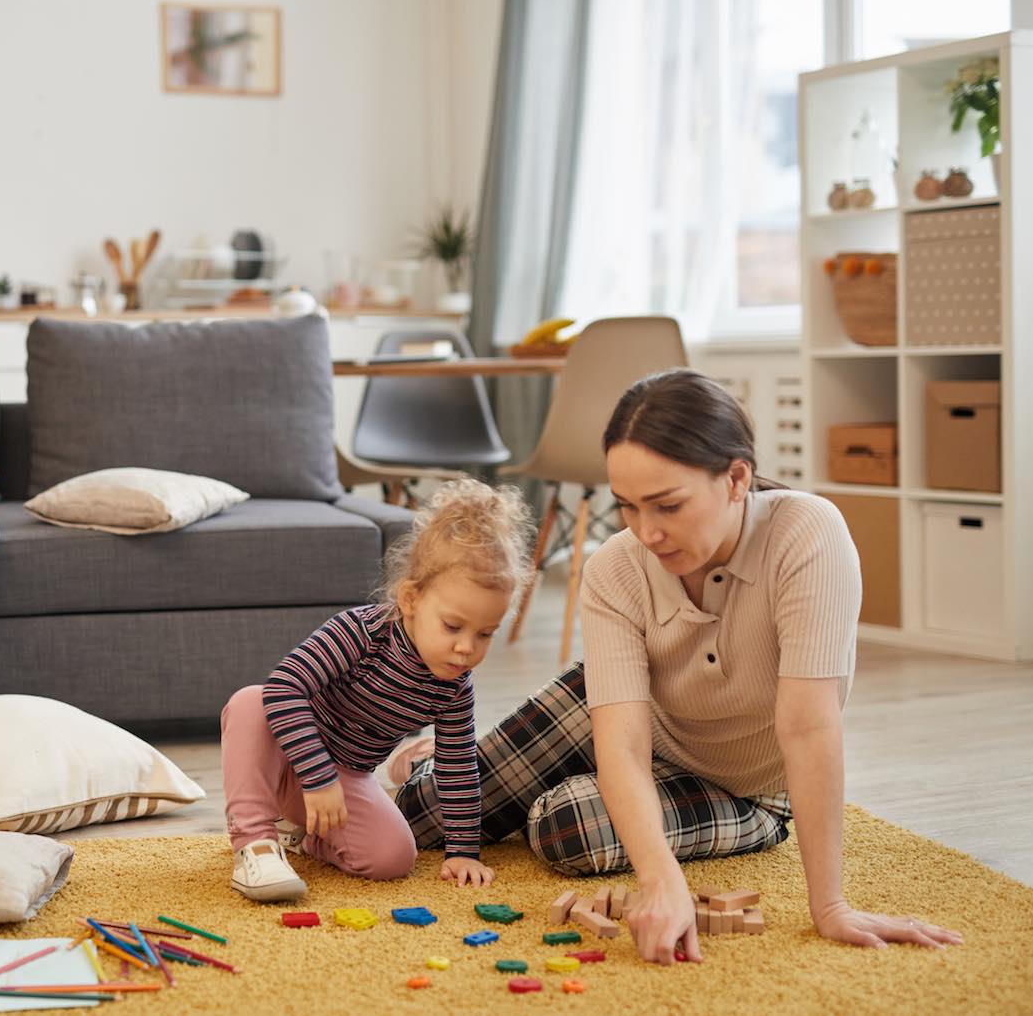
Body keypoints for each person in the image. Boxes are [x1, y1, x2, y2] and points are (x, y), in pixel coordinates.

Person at [391, 369, 963, 962]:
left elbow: (808, 727)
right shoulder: (615, 567)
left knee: (563, 825)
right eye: (628, 507)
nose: (647, 532)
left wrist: (831, 907)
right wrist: (663, 881)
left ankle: (523, 775)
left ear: (736, 478)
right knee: (421, 817)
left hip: (745, 789)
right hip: (637, 717)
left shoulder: (808, 536)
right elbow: (624, 741)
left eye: (667, 505)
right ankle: (431, 760)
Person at [221, 479, 532, 902]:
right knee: (251, 702)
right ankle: (255, 843)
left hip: (344, 778)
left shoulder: (455, 685)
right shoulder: (362, 631)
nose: (466, 648)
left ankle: (303, 837)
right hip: (288, 756)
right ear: (410, 600)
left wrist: (463, 851)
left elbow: (458, 766)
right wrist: (317, 776)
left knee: (394, 858)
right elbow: (284, 689)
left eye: (485, 634)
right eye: (453, 626)